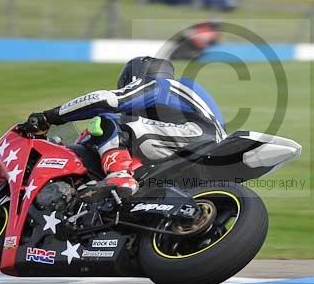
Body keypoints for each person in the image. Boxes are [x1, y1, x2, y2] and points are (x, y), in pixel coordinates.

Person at [21, 56, 226, 197]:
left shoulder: (159, 85)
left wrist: (49, 117)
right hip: (195, 150)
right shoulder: (175, 105)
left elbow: (107, 100)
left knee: (105, 119)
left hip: (197, 137)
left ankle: (119, 176)